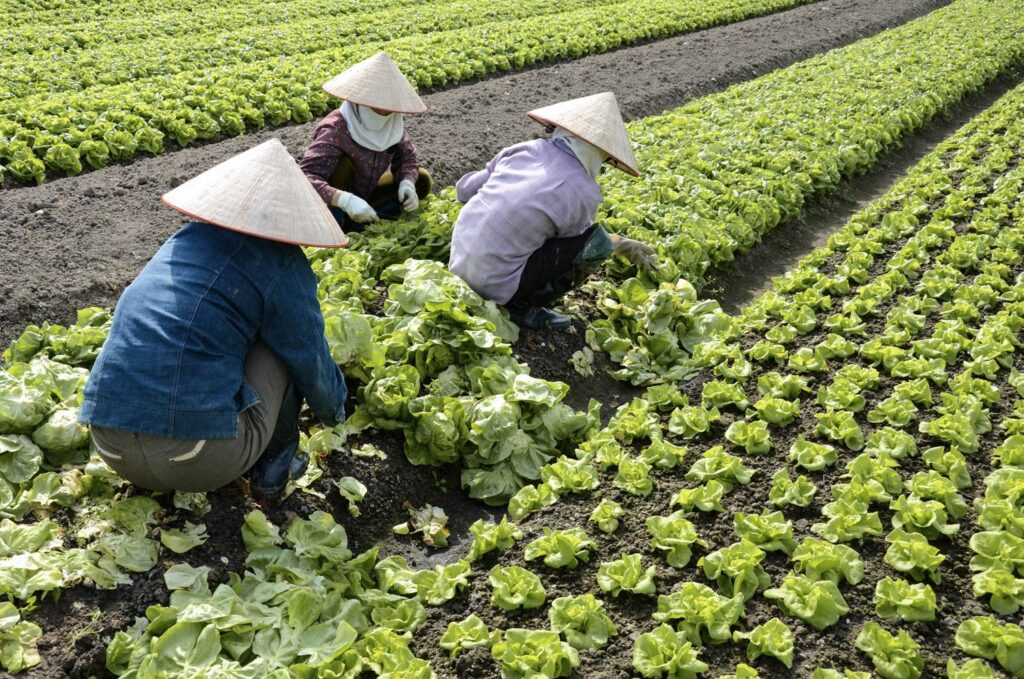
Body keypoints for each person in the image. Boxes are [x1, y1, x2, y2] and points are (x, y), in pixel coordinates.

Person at [79, 138, 349, 499]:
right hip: (198, 457)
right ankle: (273, 474)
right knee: (285, 346)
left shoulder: (181, 242)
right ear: (290, 220)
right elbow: (310, 358)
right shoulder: (282, 263)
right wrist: (335, 412)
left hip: (110, 445)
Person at [448, 92, 658, 331]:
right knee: (597, 243)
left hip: (457, 263)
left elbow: (464, 191)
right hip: (494, 287)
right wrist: (619, 244)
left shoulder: (525, 149)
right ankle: (523, 307)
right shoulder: (586, 193)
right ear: (602, 154)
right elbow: (578, 246)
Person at [300, 52, 432, 232]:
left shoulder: (392, 123)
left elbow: (407, 156)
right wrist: (344, 200)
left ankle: (370, 219)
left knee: (421, 179)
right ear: (360, 101)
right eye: (377, 106)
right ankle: (340, 227)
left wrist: (407, 183)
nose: (384, 114)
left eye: (388, 108)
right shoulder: (336, 128)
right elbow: (305, 178)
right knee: (342, 165)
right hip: (334, 202)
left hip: (367, 194)